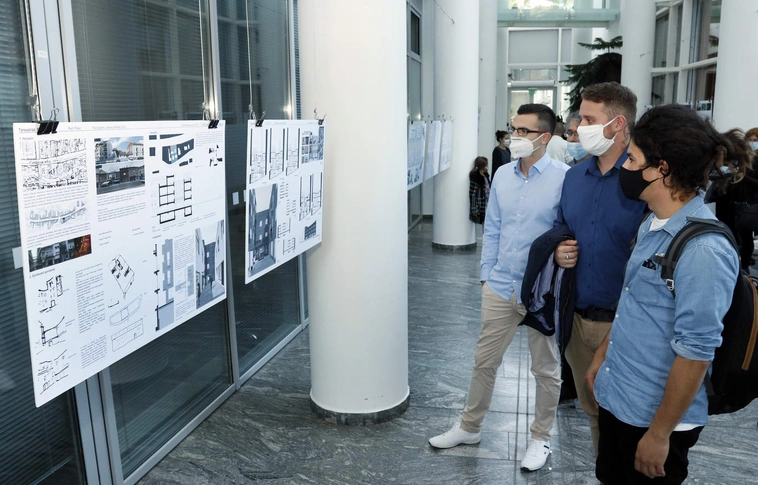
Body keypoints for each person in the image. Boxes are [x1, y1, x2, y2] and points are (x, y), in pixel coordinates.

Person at [588, 104, 749, 484]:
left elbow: (696, 352)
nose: (624, 167)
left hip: (655, 419)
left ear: (661, 169)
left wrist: (660, 435)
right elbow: (634, 302)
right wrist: (603, 356)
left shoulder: (704, 250)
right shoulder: (652, 223)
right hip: (620, 397)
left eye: (632, 159)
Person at [428, 104, 568, 472]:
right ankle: (469, 427)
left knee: (546, 369)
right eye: (513, 128)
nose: (514, 136)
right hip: (500, 285)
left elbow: (569, 234)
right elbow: (492, 228)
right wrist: (486, 275)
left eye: (523, 131)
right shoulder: (504, 175)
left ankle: (540, 437)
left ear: (544, 137)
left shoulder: (564, 179)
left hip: (540, 291)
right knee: (484, 362)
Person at [554, 82, 648, 456]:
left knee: (628, 419)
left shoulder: (645, 178)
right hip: (578, 321)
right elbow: (563, 226)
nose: (579, 128)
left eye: (589, 120)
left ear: (618, 124)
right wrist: (560, 248)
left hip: (627, 325)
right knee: (593, 413)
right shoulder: (573, 177)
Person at [713, 127, 758, 270]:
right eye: (749, 140)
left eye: (755, 140)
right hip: (730, 201)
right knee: (730, 233)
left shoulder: (756, 160)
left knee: (746, 237)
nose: (752, 143)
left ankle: (744, 268)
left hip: (748, 203)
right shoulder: (740, 157)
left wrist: (741, 176)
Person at [469, 156, 491, 225]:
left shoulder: (485, 175)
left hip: (487, 203)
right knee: (483, 224)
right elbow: (472, 195)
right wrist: (474, 210)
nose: (487, 166)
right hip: (480, 205)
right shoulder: (476, 177)